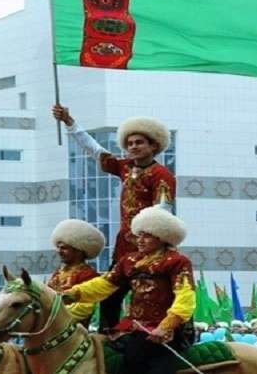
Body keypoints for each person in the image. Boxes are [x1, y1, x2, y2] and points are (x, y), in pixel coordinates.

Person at [52, 104, 177, 332]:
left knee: (149, 297)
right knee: (110, 296)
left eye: (139, 142)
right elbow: (95, 150)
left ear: (154, 146)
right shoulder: (125, 167)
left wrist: (149, 239)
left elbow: (163, 209)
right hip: (123, 247)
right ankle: (107, 336)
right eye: (129, 143)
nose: (133, 147)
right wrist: (70, 122)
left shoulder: (162, 175)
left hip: (149, 248)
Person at [63, 205, 194, 374]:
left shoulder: (177, 261)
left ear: (162, 237)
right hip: (134, 326)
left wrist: (166, 326)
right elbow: (104, 284)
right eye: (139, 235)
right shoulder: (129, 260)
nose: (140, 240)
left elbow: (186, 295)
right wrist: (73, 294)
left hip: (165, 330)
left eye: (146, 236)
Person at [47, 218, 104, 328]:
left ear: (79, 250)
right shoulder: (57, 273)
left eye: (64, 248)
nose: (58, 251)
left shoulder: (89, 275)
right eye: (57, 247)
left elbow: (84, 308)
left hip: (74, 333)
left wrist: (52, 316)